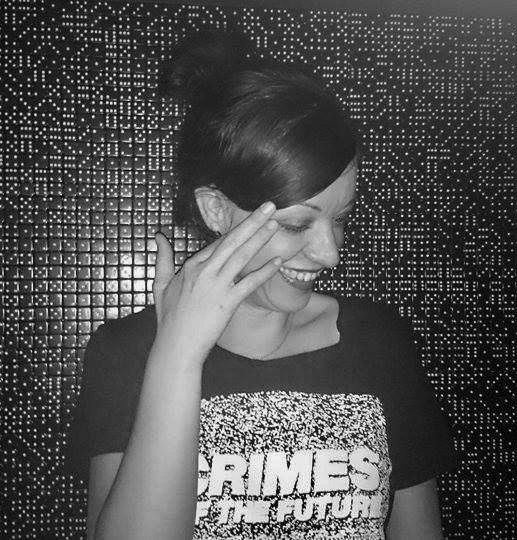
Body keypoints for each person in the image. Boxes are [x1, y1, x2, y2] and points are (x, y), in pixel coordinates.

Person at [65, 30, 457, 540]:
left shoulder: (378, 341)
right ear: (215, 209)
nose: (330, 254)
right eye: (297, 224)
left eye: (340, 219)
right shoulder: (127, 353)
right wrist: (177, 355)